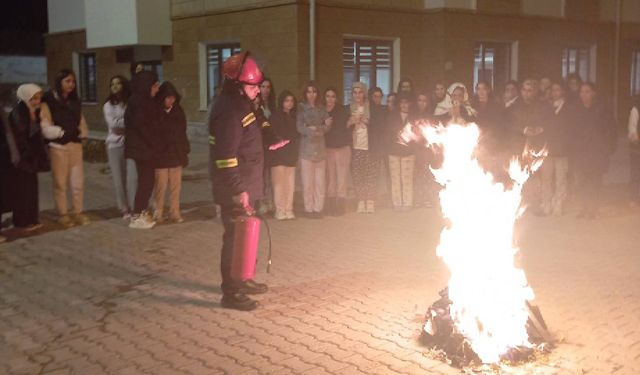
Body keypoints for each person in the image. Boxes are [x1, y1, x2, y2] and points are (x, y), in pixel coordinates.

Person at [209, 51, 285, 311]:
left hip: (246, 184)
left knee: (246, 236)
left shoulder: (242, 105)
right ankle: (231, 293)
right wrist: (238, 189)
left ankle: (244, 278)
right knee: (233, 239)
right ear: (238, 85)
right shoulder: (229, 110)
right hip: (235, 187)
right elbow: (224, 156)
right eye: (253, 86)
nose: (258, 90)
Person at [40, 69, 90, 228]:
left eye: (73, 82)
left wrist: (83, 132)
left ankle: (78, 211)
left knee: (78, 182)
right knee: (60, 183)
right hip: (58, 147)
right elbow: (45, 123)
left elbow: (80, 119)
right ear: (59, 82)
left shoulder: (75, 101)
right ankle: (62, 213)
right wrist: (60, 133)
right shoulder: (48, 100)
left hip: (75, 145)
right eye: (67, 81)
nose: (71, 85)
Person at [5, 84, 50, 231]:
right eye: (33, 98)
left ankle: (31, 217)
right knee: (22, 190)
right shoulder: (18, 112)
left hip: (31, 157)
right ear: (25, 97)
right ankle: (22, 220)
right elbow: (20, 137)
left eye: (39, 98)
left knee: (31, 188)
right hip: (22, 157)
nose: (37, 101)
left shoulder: (33, 112)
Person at [569, 82, 616, 219]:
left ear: (594, 93)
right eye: (582, 92)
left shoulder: (602, 110)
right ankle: (584, 208)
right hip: (581, 153)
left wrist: (608, 149)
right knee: (582, 182)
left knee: (595, 181)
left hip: (597, 153)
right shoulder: (576, 109)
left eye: (587, 91)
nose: (584, 94)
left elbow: (611, 131)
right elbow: (571, 131)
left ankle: (593, 209)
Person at [125, 71, 161, 229]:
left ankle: (141, 211)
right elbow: (143, 127)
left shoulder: (144, 100)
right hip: (142, 149)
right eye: (154, 86)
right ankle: (137, 215)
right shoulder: (139, 102)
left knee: (147, 182)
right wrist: (154, 142)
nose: (157, 89)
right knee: (145, 182)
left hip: (145, 149)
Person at [153, 82, 190, 224]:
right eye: (167, 98)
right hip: (160, 156)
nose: (171, 101)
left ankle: (174, 212)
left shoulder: (178, 111)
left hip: (175, 154)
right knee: (160, 187)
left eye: (172, 98)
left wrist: (184, 150)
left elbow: (182, 132)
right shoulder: (155, 112)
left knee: (176, 187)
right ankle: (158, 212)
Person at [104, 75, 136, 220]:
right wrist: (128, 121)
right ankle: (124, 208)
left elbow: (136, 120)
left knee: (133, 178)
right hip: (115, 145)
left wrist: (124, 121)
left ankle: (135, 206)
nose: (115, 86)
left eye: (118, 83)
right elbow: (114, 125)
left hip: (131, 144)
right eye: (112, 84)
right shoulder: (108, 105)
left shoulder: (130, 103)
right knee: (119, 179)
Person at [297, 82, 332, 218]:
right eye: (309, 92)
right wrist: (315, 129)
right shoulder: (301, 108)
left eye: (314, 91)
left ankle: (318, 208)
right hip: (306, 149)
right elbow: (299, 127)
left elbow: (328, 125)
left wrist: (315, 128)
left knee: (320, 182)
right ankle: (308, 209)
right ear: (305, 94)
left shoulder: (321, 108)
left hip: (320, 149)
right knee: (307, 182)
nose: (312, 94)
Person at [539, 82, 573, 216]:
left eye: (557, 89)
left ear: (563, 91)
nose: (555, 92)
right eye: (553, 90)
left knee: (561, 179)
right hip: (547, 149)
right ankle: (546, 203)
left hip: (562, 149)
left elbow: (571, 129)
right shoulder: (546, 108)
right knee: (546, 178)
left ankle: (558, 203)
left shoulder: (568, 108)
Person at [268, 90, 299, 220]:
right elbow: (272, 135)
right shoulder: (275, 117)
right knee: (279, 185)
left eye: (291, 101)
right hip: (278, 156)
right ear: (281, 102)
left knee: (290, 184)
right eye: (287, 100)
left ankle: (288, 208)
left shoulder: (294, 117)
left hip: (291, 155)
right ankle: (280, 209)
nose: (289, 103)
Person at [348, 82, 378, 213]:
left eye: (360, 92)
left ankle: (370, 201)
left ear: (364, 93)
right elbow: (344, 126)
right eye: (355, 92)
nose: (357, 95)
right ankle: (360, 200)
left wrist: (368, 122)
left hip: (370, 146)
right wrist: (350, 121)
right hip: (356, 146)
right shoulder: (348, 107)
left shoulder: (371, 107)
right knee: (358, 174)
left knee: (370, 175)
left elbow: (378, 124)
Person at [386, 92, 416, 211]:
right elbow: (387, 133)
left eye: (406, 102)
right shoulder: (392, 116)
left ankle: (407, 203)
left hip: (409, 151)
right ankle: (397, 203)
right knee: (395, 178)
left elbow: (417, 134)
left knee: (407, 178)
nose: (404, 105)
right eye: (402, 102)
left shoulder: (414, 117)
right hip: (394, 151)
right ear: (399, 104)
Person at [324, 87, 351, 216]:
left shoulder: (342, 110)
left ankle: (340, 204)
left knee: (342, 177)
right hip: (328, 148)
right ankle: (330, 204)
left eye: (333, 96)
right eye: (328, 96)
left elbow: (345, 127)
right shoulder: (321, 111)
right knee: (331, 178)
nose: (330, 99)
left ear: (336, 98)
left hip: (342, 147)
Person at [629, 96, 640, 206]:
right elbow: (632, 130)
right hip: (637, 150)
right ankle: (634, 199)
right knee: (636, 174)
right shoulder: (636, 110)